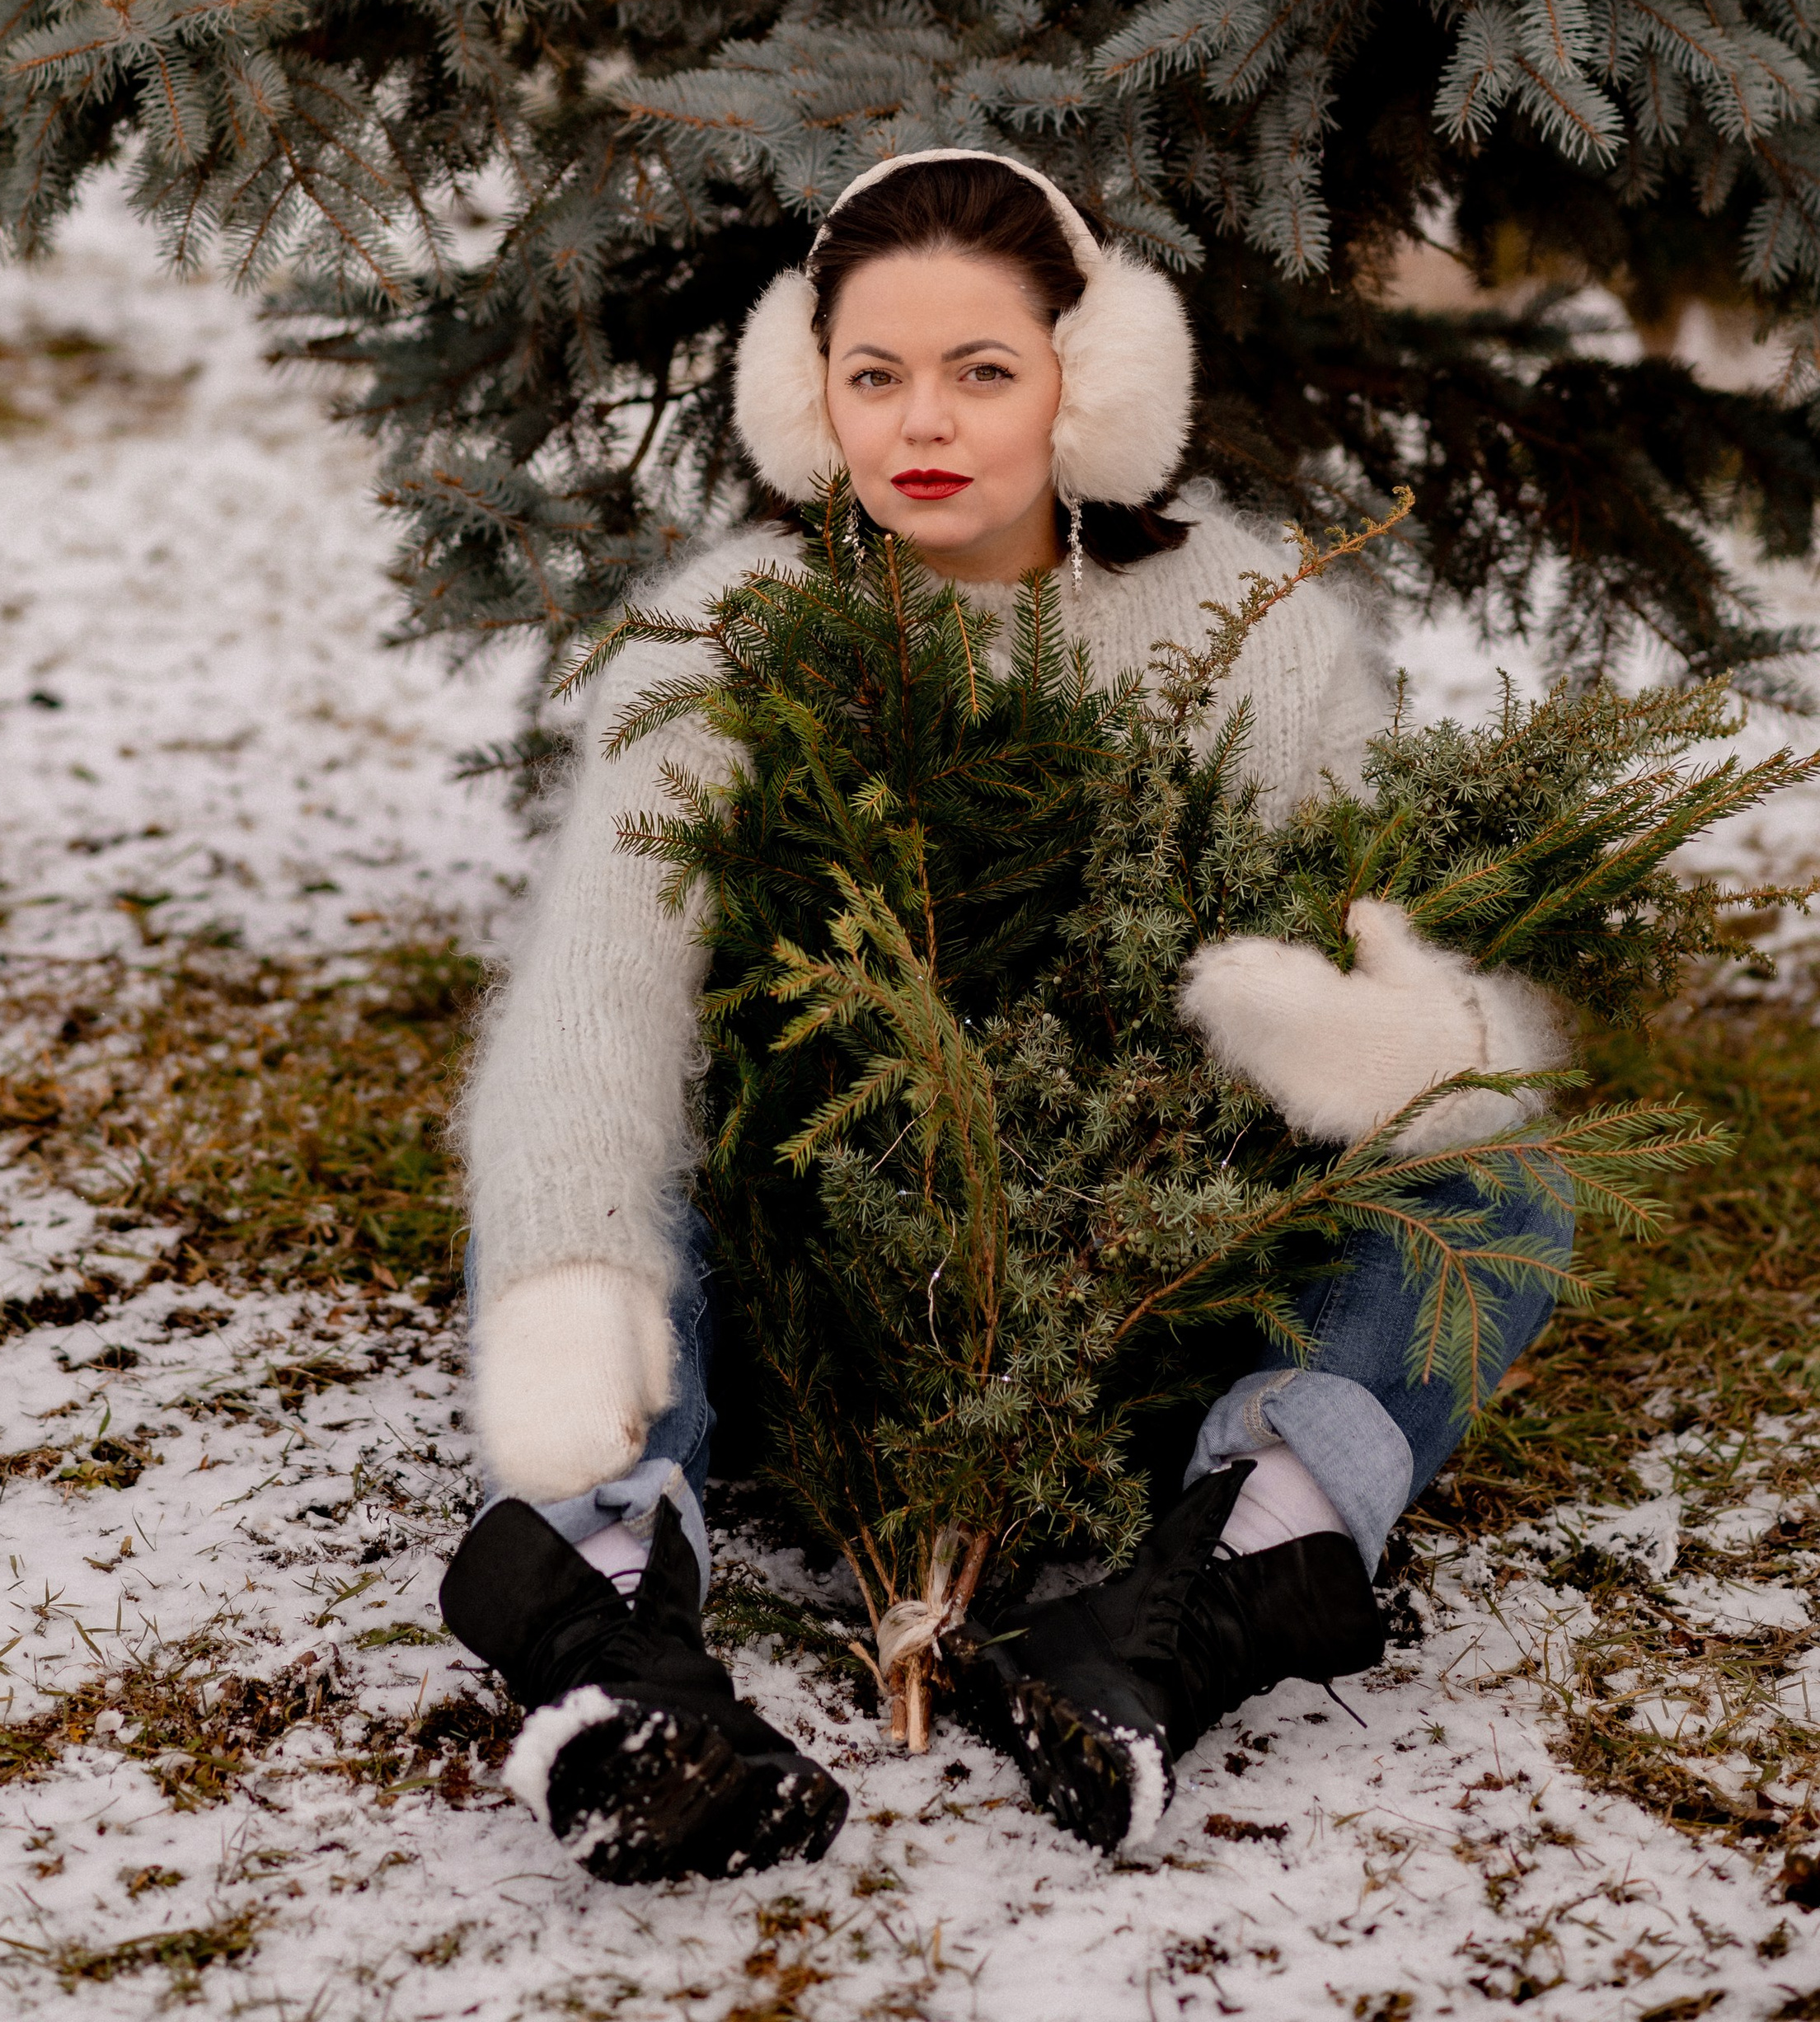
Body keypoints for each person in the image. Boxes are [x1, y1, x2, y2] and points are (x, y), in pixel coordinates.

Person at [438, 150, 1569, 1884]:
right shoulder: (720, 639)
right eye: (872, 373)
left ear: (1087, 380)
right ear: (805, 396)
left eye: (981, 368)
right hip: (802, 1273)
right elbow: (596, 1011)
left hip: (1124, 1277)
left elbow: (1369, 920)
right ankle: (611, 1652)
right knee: (605, 1193)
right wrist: (576, 1286)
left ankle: (1199, 1589)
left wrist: (1373, 1038)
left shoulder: (1240, 623)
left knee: (1494, 1173)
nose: (921, 421)